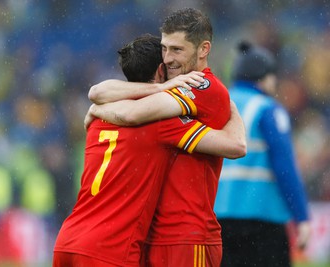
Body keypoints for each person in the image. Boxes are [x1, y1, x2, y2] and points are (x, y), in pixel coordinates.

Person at [53, 34, 246, 267]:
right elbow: (235, 145)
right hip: (110, 249)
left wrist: (96, 107)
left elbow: (97, 93)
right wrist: (229, 104)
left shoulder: (101, 115)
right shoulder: (159, 123)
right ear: (160, 70)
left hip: (68, 239)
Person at [87, 8, 230, 266]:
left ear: (203, 49)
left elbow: (132, 113)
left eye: (177, 50)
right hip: (153, 236)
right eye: (164, 49)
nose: (167, 59)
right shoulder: (172, 88)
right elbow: (97, 91)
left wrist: (98, 111)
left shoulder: (200, 85)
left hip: (188, 234)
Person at [214, 41, 311, 267]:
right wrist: (302, 217)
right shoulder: (268, 109)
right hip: (263, 220)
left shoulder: (217, 105)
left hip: (219, 220)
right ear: (265, 78)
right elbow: (285, 167)